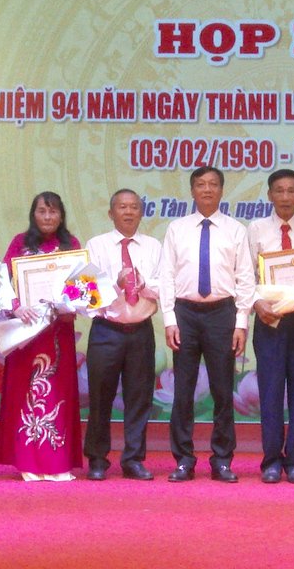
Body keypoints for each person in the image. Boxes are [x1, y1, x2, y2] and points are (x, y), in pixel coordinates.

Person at [158, 166, 256, 483]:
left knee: (223, 391)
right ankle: (183, 460)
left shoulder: (235, 230)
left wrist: (241, 323)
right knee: (183, 391)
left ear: (222, 190)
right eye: (201, 184)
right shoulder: (176, 229)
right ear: (192, 191)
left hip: (222, 314)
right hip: (185, 314)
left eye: (213, 184)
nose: (207, 189)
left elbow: (245, 278)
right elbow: (166, 276)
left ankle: (222, 460)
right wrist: (170, 319)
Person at [0, 191, 83, 480]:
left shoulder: (71, 246)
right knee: (26, 393)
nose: (47, 217)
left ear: (61, 215)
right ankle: (29, 462)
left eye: (53, 211)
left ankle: (56, 462)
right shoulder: (20, 244)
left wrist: (71, 305)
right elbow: (2, 283)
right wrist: (16, 307)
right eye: (42, 211)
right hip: (26, 332)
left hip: (57, 333)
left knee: (58, 393)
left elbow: (82, 288)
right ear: (33, 215)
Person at [246, 169, 294, 484]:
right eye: (278, 190)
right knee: (270, 391)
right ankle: (270, 461)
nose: (285, 197)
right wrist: (256, 303)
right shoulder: (255, 229)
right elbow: (246, 275)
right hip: (270, 320)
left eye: (291, 190)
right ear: (269, 195)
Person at [82, 189, 161, 481]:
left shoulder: (153, 246)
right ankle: (97, 459)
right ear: (111, 213)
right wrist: (116, 284)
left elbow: (165, 285)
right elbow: (88, 290)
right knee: (100, 397)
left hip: (141, 331)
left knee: (139, 398)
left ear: (141, 212)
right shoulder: (96, 245)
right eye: (122, 207)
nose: (128, 212)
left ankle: (133, 460)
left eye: (134, 207)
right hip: (107, 330)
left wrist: (143, 284)